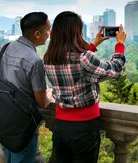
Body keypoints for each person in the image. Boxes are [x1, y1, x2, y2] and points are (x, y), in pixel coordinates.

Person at [43, 11, 126, 163]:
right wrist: (120, 45)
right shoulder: (83, 58)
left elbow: (75, 63)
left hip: (61, 126)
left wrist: (94, 44)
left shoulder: (49, 57)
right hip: (83, 128)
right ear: (76, 32)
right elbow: (114, 70)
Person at [0, 12, 52, 163]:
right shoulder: (34, 61)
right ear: (37, 34)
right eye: (48, 30)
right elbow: (41, 102)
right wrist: (49, 93)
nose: (49, 34)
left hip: (3, 118)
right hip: (22, 125)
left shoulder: (7, 48)